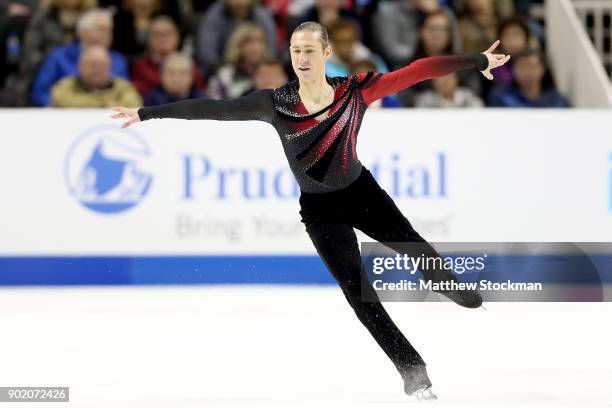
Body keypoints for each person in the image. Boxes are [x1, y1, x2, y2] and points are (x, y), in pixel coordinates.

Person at [111, 21, 510, 401]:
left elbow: (418, 71)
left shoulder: (355, 91)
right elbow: (215, 108)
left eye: (309, 51)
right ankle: (411, 369)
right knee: (359, 294)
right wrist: (148, 113)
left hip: (362, 193)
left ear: (326, 53)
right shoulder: (275, 103)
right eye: (296, 51)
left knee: (417, 251)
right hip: (320, 211)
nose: (302, 58)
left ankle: (445, 283)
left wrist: (476, 60)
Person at [51, 45, 142, 107]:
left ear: (110, 67)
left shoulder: (124, 88)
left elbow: (133, 107)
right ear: (80, 66)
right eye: (92, 64)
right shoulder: (65, 86)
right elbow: (63, 103)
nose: (97, 69)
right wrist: (105, 104)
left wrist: (89, 104)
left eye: (101, 65)